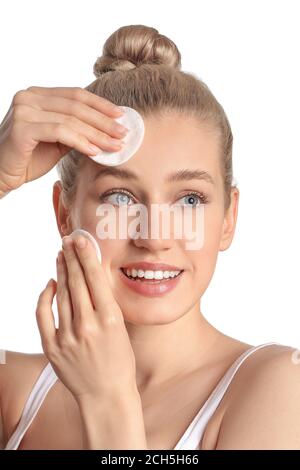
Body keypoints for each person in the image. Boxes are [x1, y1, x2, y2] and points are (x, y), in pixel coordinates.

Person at [0, 24, 299, 450]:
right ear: (64, 214)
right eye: (119, 197)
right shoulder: (14, 392)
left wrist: (108, 401)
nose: (155, 235)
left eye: (190, 200)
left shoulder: (277, 386)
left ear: (229, 218)